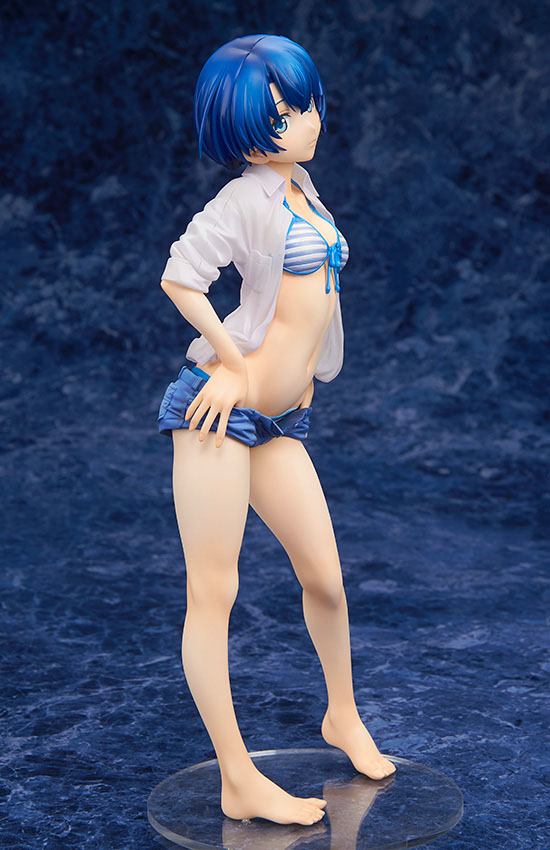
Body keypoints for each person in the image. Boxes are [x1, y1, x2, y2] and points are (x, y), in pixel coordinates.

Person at [157, 33, 396, 826]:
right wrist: (230, 362)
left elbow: (309, 304)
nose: (305, 122)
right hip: (218, 415)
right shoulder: (242, 200)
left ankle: (342, 715)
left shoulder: (301, 188)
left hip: (281, 421)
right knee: (213, 593)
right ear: (242, 129)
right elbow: (181, 277)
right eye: (282, 115)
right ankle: (237, 775)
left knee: (325, 577)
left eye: (306, 105)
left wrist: (301, 377)